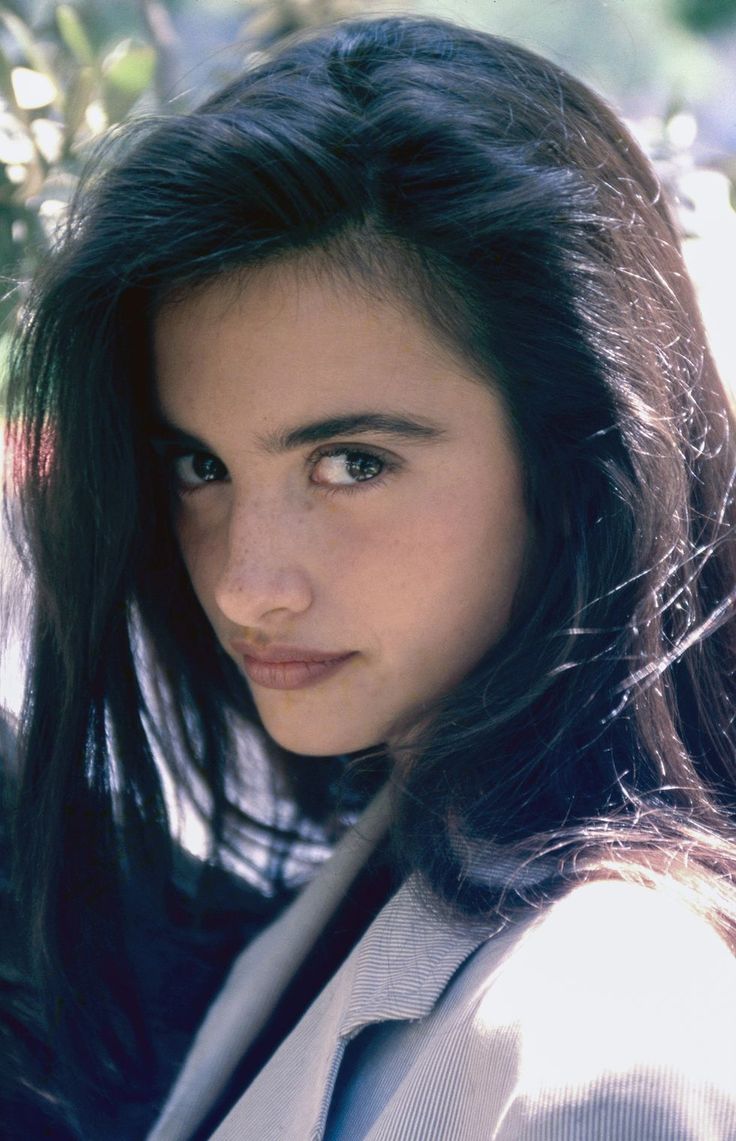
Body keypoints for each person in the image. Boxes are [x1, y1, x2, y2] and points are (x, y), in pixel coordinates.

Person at [3, 13, 736, 1140]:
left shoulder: (607, 1044)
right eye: (199, 465)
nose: (248, 585)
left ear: (582, 456)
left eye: (352, 463)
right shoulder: (378, 867)